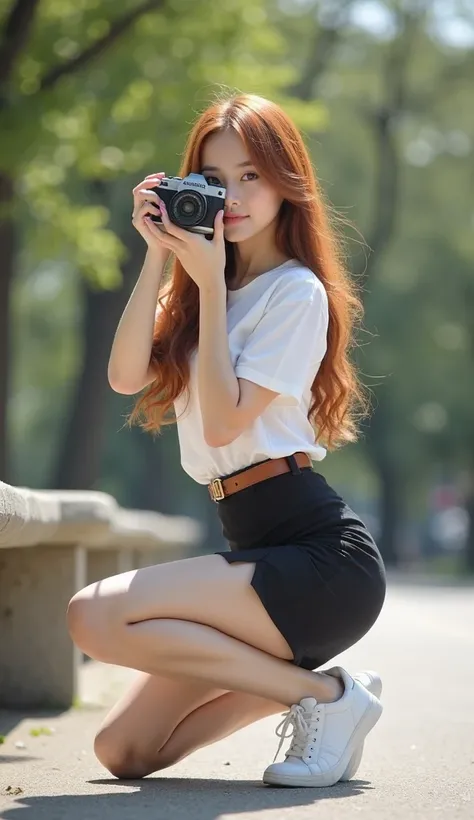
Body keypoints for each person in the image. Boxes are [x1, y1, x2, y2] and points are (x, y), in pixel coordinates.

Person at [67, 92, 386, 788]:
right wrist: (158, 255)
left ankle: (325, 698)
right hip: (252, 546)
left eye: (252, 175)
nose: (234, 196)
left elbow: (221, 423)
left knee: (92, 616)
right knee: (122, 751)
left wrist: (211, 289)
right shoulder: (203, 289)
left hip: (318, 559)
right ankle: (321, 694)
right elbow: (124, 376)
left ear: (286, 180)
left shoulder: (295, 294)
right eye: (217, 180)